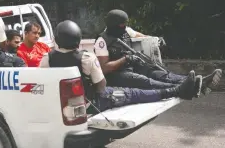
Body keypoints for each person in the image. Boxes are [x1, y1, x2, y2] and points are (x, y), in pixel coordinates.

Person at [40, 20, 200, 112]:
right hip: (92, 103)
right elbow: (101, 86)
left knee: (146, 78)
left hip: (62, 105)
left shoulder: (47, 59)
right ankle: (178, 91)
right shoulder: (87, 57)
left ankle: (186, 84)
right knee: (134, 93)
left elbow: (44, 83)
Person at [94, 9, 222, 95]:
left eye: (125, 25)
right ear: (114, 24)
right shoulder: (102, 41)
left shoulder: (125, 30)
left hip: (132, 67)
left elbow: (142, 37)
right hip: (117, 75)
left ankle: (199, 82)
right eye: (121, 25)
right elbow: (104, 68)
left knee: (159, 73)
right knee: (145, 80)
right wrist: (125, 59)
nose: (124, 27)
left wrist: (155, 40)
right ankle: (189, 87)